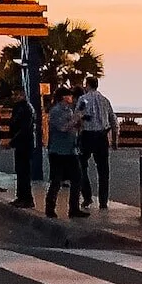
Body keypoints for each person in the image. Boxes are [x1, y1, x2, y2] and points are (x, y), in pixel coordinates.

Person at [44, 85, 86, 219]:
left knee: (77, 178)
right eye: (69, 95)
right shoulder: (56, 111)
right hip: (58, 151)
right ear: (63, 97)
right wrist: (75, 119)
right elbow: (62, 128)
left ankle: (74, 209)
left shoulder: (69, 110)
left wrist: (79, 122)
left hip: (70, 150)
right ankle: (50, 208)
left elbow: (73, 127)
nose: (72, 97)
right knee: (56, 180)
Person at [76, 76, 115, 210]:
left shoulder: (84, 99)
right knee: (103, 170)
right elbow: (113, 120)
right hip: (102, 135)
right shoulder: (105, 100)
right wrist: (114, 141)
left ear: (88, 85)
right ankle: (103, 201)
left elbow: (78, 116)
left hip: (87, 135)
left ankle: (87, 197)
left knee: (81, 165)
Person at [7, 79, 39, 209]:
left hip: (24, 143)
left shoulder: (25, 108)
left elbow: (25, 128)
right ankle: (21, 196)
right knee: (20, 171)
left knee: (24, 171)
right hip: (22, 142)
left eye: (17, 94)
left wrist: (13, 140)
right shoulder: (22, 108)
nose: (14, 97)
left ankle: (26, 198)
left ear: (22, 95)